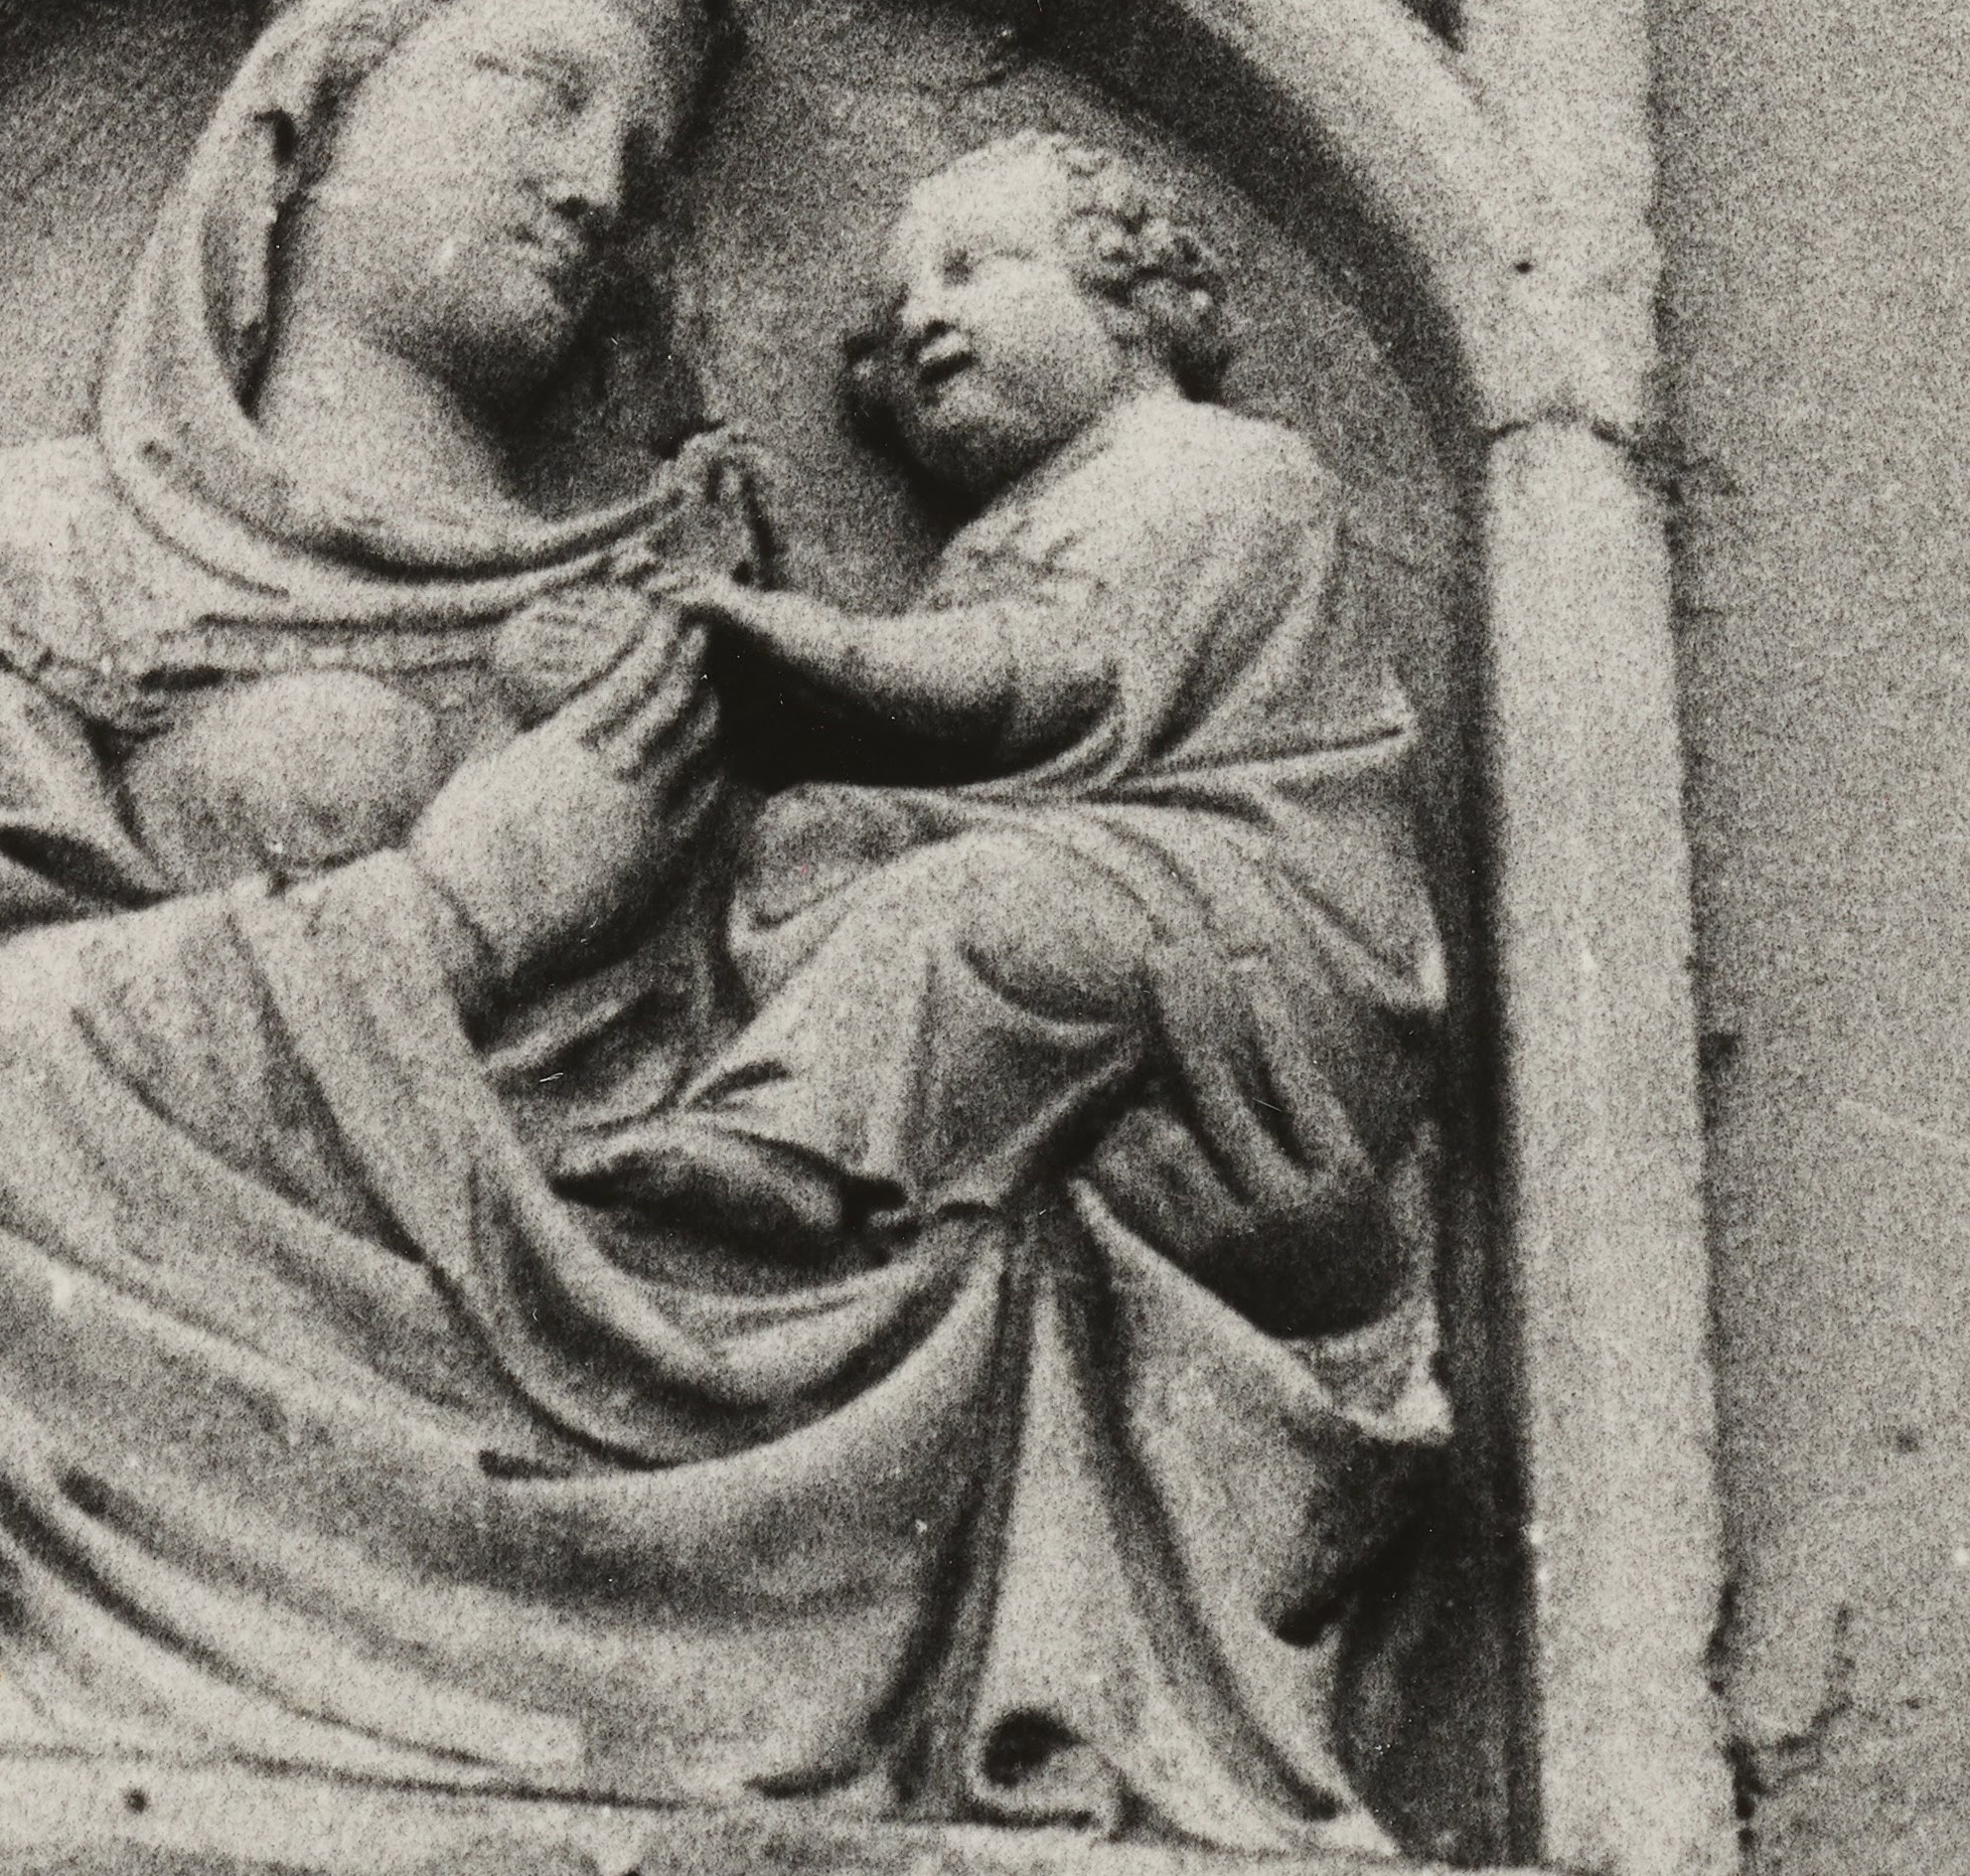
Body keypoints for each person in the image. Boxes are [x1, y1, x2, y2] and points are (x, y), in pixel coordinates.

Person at [0, 0, 1448, 1834]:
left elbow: (1000, 986)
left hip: (803, 1465)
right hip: (200, 1480)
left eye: (643, 154)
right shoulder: (40, 550)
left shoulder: (718, 595)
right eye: (536, 90)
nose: (597, 184)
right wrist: (462, 907)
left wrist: (1253, 1166)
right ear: (299, 123)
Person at [559, 137, 1445, 1302]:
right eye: (899, 306)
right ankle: (849, 1135)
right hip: (1114, 874)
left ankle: (789, 1146)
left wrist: (787, 632)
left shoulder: (1213, 466)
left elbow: (1043, 677)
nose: (924, 316)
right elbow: (933, 725)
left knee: (964, 904)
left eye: (973, 267)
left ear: (1126, 305)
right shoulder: (1017, 521)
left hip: (1256, 924)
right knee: (806, 841)